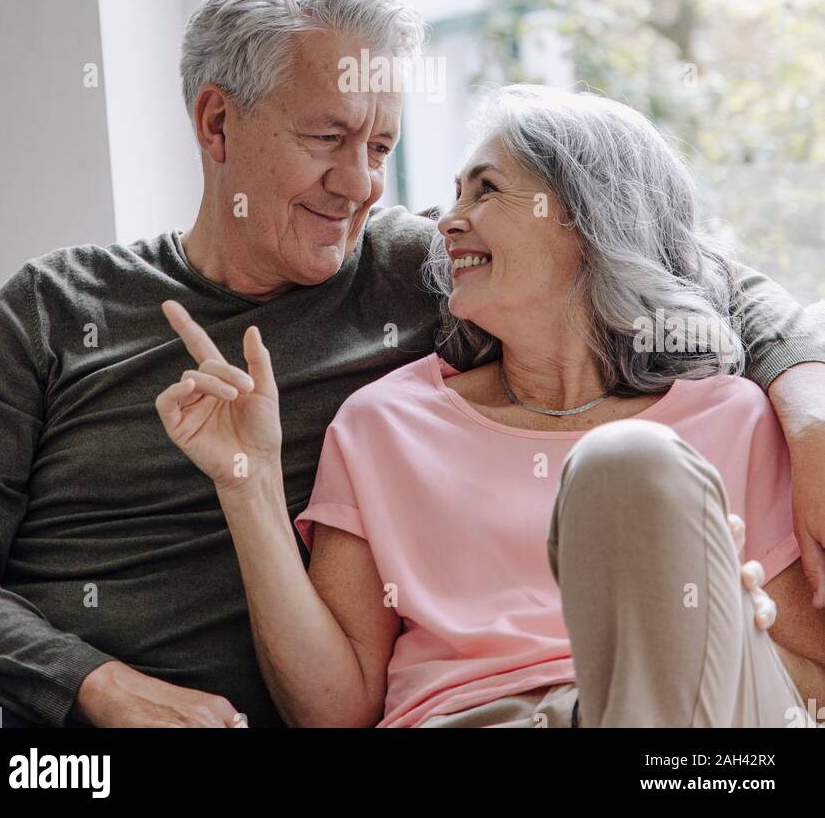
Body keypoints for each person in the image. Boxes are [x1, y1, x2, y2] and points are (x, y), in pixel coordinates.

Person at [0, 0, 824, 729]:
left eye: (381, 148)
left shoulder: (424, 269)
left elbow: (677, 265)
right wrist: (94, 686)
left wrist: (809, 399)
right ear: (217, 124)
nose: (363, 184)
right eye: (327, 139)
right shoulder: (53, 306)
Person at [156, 85, 825, 727]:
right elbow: (334, 708)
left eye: (487, 190)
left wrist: (723, 621)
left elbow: (815, 688)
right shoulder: (384, 424)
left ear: (589, 221)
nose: (447, 223)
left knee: (632, 464)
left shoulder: (732, 419)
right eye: (455, 194)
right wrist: (247, 484)